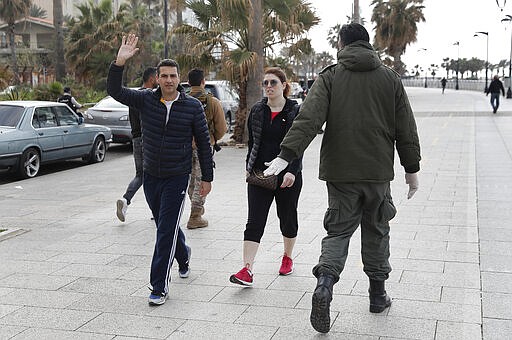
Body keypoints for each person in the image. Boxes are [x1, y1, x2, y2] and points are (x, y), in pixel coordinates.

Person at [264, 23, 421, 333]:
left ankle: (324, 286)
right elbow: (406, 128)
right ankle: (377, 296)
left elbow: (309, 119)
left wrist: (286, 155)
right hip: (377, 173)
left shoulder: (331, 76)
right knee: (377, 229)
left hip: (340, 172)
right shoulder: (390, 78)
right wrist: (411, 170)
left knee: (337, 232)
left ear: (342, 43)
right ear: (368, 44)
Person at [107, 34, 214, 306]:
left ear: (180, 79)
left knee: (164, 230)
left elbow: (203, 142)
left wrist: (207, 178)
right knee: (166, 227)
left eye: (173, 76)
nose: (168, 80)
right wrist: (120, 62)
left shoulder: (192, 107)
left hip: (177, 177)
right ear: (157, 78)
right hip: (151, 177)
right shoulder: (145, 100)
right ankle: (184, 253)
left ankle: (158, 287)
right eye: (164, 76)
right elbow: (115, 91)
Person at [229, 67, 302, 287]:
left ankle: (287, 257)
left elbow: (299, 144)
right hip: (260, 174)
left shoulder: (294, 110)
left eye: (273, 83)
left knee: (287, 217)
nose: (268, 87)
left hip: (287, 175)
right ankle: (247, 269)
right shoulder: (258, 110)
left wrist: (292, 170)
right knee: (254, 220)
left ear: (283, 85)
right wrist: (248, 167)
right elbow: (253, 143)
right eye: (266, 83)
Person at [186, 68, 227, 229]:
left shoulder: (182, 100)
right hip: (205, 147)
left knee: (189, 180)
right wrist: (212, 138)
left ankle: (195, 209)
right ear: (203, 82)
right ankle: (195, 215)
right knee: (201, 179)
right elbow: (222, 128)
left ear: (189, 83)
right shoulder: (213, 102)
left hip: (184, 147)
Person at [116, 67, 158, 222]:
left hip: (136, 139)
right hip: (149, 140)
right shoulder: (151, 97)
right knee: (154, 175)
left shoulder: (134, 96)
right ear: (153, 79)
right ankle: (156, 209)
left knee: (141, 175)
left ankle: (126, 200)